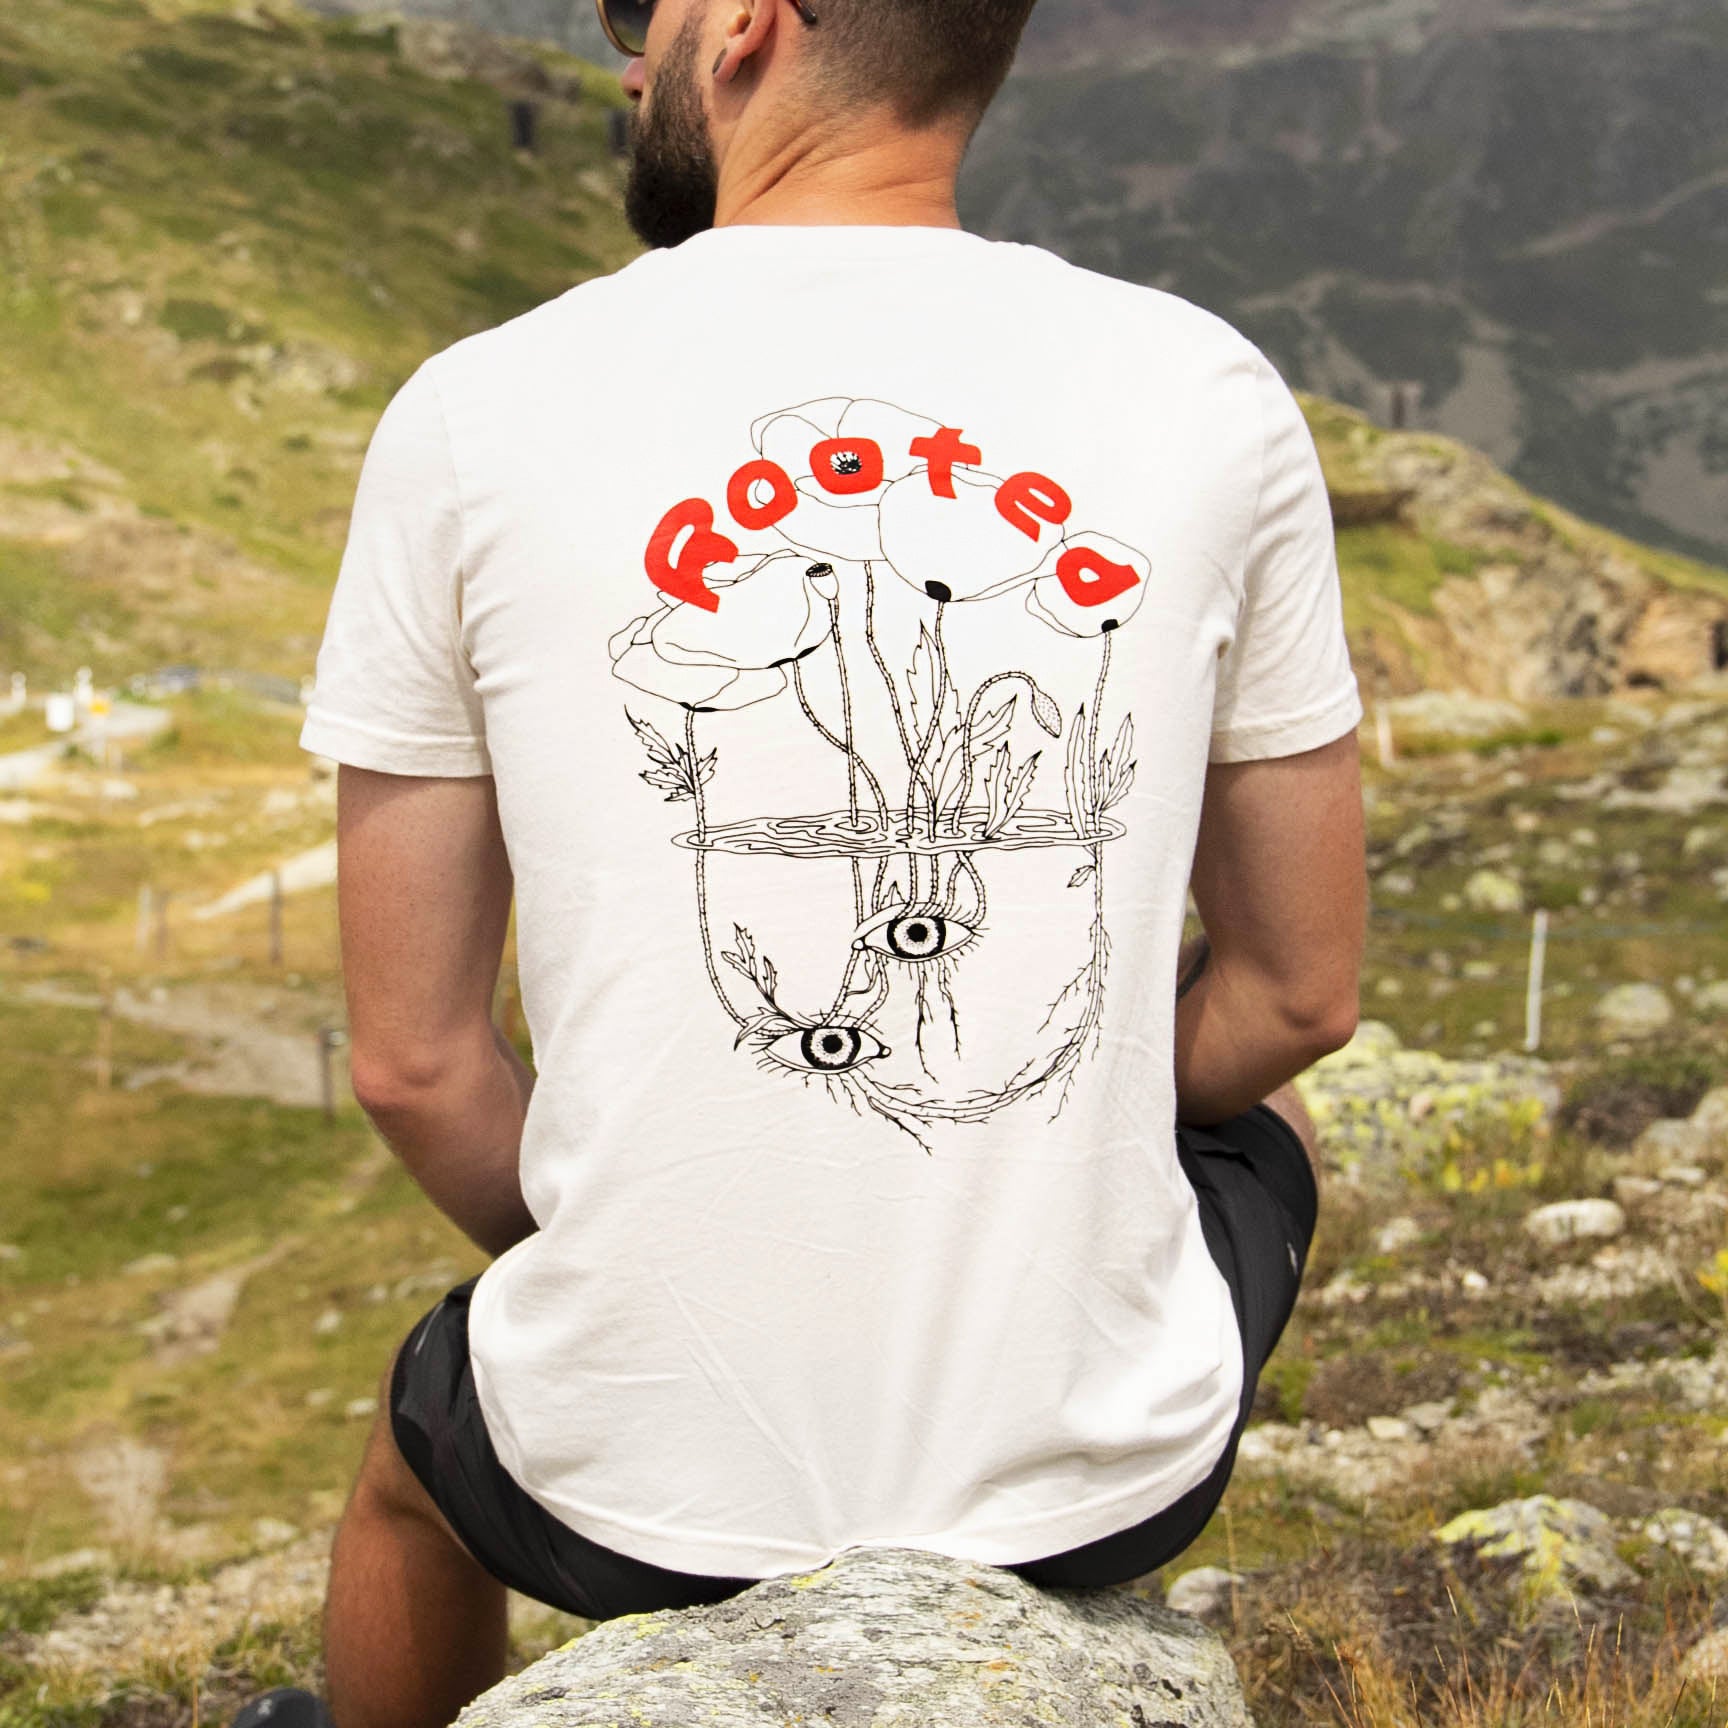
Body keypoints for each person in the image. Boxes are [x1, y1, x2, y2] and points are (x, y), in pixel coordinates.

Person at [237, 0, 1366, 1722]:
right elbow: (1300, 996)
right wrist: (1039, 1141)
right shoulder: (1213, 392)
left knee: (409, 1489)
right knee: (1272, 1119)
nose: (628, 54)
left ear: (751, 20)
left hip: (624, 1498)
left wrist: (643, 1230)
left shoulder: (471, 412)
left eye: (642, 11)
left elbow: (411, 1062)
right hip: (1101, 1484)